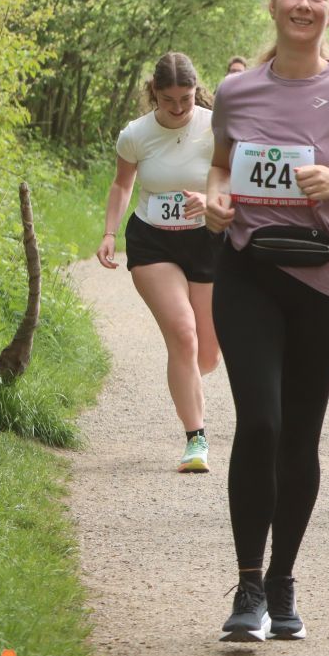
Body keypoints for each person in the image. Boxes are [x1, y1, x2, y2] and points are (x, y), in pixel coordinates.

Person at [205, 0, 329, 643]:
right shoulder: (236, 91)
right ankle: (248, 584)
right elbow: (219, 167)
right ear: (274, 3)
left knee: (300, 434)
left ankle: (284, 578)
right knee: (259, 422)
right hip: (247, 272)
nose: (304, 4)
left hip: (320, 279)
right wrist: (217, 201)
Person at [97, 52, 220, 473]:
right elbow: (122, 184)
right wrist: (110, 233)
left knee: (207, 355)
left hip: (207, 241)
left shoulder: (216, 126)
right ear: (155, 93)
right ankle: (195, 439)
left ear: (196, 90)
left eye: (186, 98)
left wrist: (210, 200)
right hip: (153, 242)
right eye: (169, 100)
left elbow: (232, 181)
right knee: (183, 335)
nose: (179, 108)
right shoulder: (135, 134)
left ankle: (187, 382)